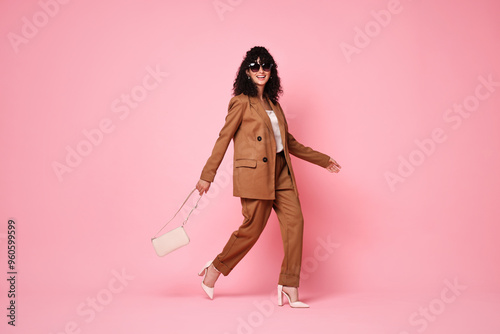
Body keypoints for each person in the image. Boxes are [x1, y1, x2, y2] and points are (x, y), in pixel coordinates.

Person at [195, 46, 341, 308]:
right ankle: (214, 269)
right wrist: (208, 175)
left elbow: (289, 142)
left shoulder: (274, 104)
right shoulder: (240, 102)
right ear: (246, 71)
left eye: (266, 66)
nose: (260, 70)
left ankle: (289, 284)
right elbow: (223, 138)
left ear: (272, 71)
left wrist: (323, 159)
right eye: (254, 66)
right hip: (255, 175)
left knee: (296, 223)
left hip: (281, 172)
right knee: (251, 231)